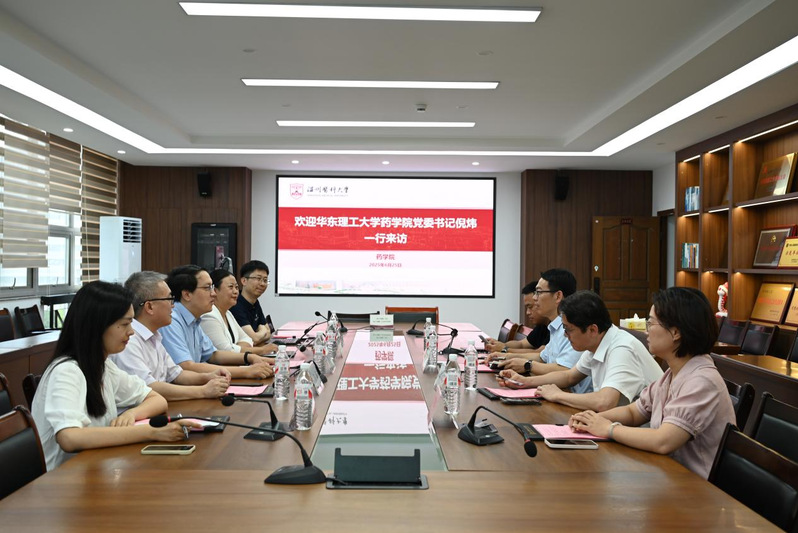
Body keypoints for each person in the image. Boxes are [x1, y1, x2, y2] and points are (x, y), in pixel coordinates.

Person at [569, 287, 736, 479]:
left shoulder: (701, 381)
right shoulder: (672, 373)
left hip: (695, 486)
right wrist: (590, 420)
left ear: (675, 332)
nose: (647, 331)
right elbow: (634, 412)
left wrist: (608, 429)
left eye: (651, 323)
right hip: (667, 474)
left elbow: (663, 441)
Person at [31, 281, 198, 471]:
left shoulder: (103, 366)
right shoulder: (67, 371)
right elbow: (69, 438)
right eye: (125, 324)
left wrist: (131, 414)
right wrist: (151, 432)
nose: (131, 331)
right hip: (61, 481)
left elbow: (157, 399)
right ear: (97, 326)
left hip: (93, 469)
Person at [498, 291, 663, 411]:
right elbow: (569, 376)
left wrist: (557, 395)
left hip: (641, 436)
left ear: (592, 329)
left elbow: (605, 402)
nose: (565, 335)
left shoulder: (622, 349)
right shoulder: (597, 342)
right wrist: (525, 382)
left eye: (568, 329)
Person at [110, 271, 231, 401]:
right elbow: (148, 388)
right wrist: (203, 391)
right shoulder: (129, 340)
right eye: (169, 299)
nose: (173, 305)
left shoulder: (154, 335)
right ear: (149, 306)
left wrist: (207, 377)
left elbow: (176, 374)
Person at [160, 265, 274, 379]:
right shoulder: (171, 320)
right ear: (187, 294)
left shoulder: (194, 319)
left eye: (213, 287)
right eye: (207, 288)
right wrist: (246, 371)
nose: (213, 293)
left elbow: (213, 354)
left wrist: (250, 357)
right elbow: (186, 366)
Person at [493, 269, 592, 393]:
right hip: (557, 392)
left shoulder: (573, 327)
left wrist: (527, 365)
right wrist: (506, 356)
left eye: (538, 292)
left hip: (571, 395)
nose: (535, 298)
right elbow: (542, 357)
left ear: (558, 296)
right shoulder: (554, 327)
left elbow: (564, 370)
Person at [201, 269, 277, 357]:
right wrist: (262, 350)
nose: (236, 291)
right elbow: (226, 351)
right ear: (215, 290)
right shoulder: (209, 316)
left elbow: (248, 340)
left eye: (236, 287)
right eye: (231, 287)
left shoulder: (228, 313)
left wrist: (235, 347)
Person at [484, 281, 550, 355]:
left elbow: (540, 354)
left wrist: (505, 349)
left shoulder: (556, 326)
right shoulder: (542, 326)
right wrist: (500, 345)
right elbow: (522, 344)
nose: (527, 312)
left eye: (530, 307)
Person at [230, 260, 273, 346]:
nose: (262, 284)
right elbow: (254, 339)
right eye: (258, 279)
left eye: (265, 280)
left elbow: (269, 332)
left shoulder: (255, 302)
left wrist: (261, 333)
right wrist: (262, 330)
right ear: (244, 281)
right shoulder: (235, 304)